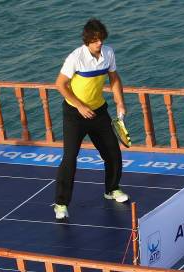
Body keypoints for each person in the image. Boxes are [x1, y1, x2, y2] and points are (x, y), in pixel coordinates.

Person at [53, 18, 129, 220]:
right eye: (95, 40)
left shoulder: (109, 53)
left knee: (112, 152)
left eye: (101, 39)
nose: (99, 43)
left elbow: (114, 78)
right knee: (70, 159)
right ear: (87, 40)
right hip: (74, 115)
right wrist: (80, 105)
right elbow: (60, 84)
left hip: (99, 112)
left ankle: (112, 189)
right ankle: (60, 204)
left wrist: (119, 102)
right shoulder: (75, 57)